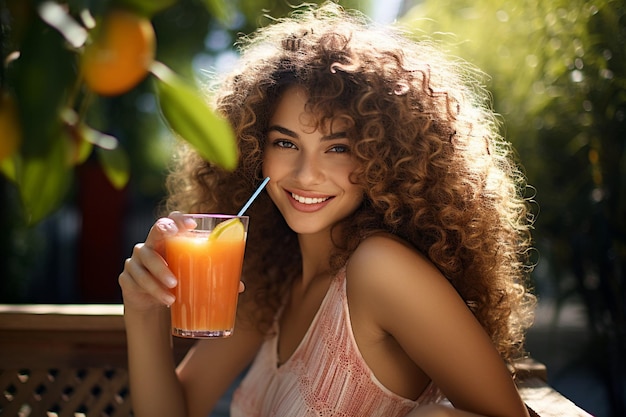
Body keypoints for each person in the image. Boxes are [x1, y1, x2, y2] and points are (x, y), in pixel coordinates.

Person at [118, 2, 537, 416]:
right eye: (285, 142)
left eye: (338, 147)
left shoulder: (380, 270)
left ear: (382, 157)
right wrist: (144, 311)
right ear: (253, 151)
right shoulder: (273, 280)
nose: (306, 173)